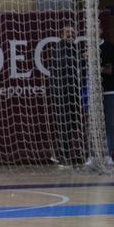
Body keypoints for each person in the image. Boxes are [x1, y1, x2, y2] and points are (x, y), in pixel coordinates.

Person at [47, 24, 84, 167]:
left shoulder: (74, 48)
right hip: (62, 93)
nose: (70, 34)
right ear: (61, 34)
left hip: (73, 92)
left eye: (72, 32)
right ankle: (63, 156)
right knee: (64, 124)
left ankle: (65, 154)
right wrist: (81, 58)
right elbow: (65, 64)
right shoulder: (59, 48)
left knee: (73, 124)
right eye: (67, 32)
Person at [99, 25, 114, 166]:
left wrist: (105, 69)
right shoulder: (84, 47)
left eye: (97, 27)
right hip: (91, 91)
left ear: (101, 30)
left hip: (109, 90)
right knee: (92, 124)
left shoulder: (110, 47)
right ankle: (93, 155)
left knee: (110, 123)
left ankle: (108, 154)